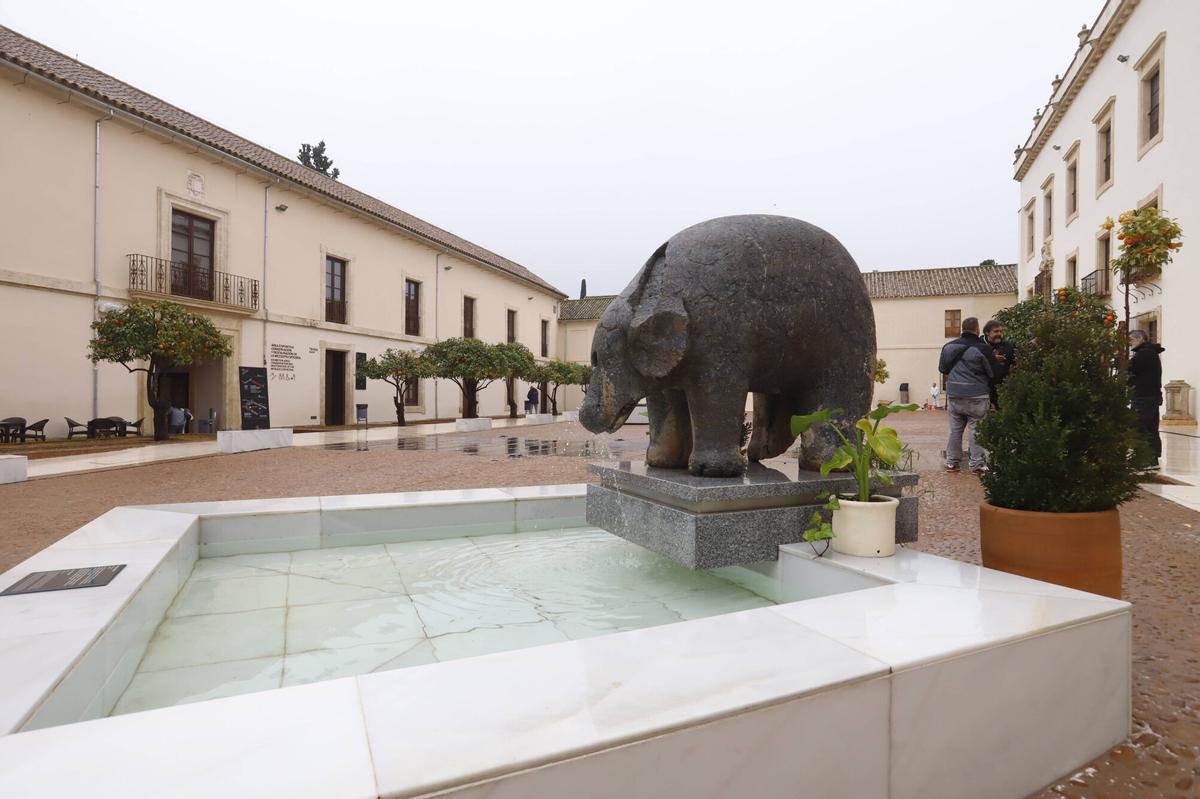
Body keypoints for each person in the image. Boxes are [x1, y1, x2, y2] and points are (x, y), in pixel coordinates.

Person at [938, 317, 994, 475]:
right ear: (977, 329)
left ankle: (952, 462)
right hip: (977, 395)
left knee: (955, 429)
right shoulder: (983, 349)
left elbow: (943, 368)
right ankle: (976, 464)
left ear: (963, 329)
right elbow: (993, 373)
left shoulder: (948, 347)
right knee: (976, 429)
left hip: (955, 394)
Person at [1128, 330, 1164, 467]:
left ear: (1140, 338)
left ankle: (1143, 458)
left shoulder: (1144, 354)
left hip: (1143, 396)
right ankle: (1152, 459)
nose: (1130, 343)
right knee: (1150, 427)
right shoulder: (1150, 353)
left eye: (1131, 340)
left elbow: (1129, 369)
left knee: (1139, 427)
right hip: (1151, 396)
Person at [982, 319, 1015, 408]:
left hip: (1001, 390)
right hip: (982, 389)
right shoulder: (978, 345)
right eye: (996, 331)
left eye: (1001, 331)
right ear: (987, 332)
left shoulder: (1008, 346)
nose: (999, 334)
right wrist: (991, 360)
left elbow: (1013, 365)